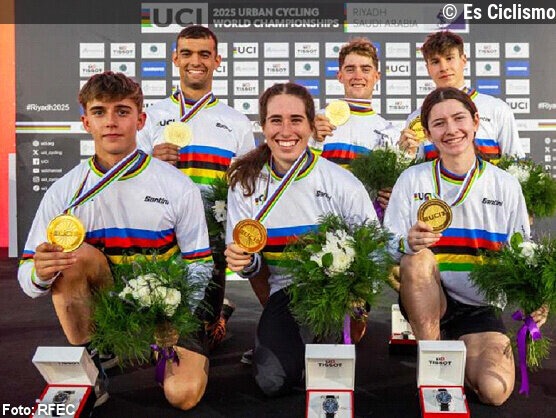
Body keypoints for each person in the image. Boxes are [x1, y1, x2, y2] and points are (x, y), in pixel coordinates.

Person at [18, 72, 213, 411]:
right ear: (86, 122)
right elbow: (27, 277)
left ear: (140, 120)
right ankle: (98, 351)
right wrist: (41, 273)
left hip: (166, 308)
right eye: (99, 112)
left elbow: (199, 263)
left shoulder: (176, 184)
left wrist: (177, 314)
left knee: (183, 395)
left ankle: (177, 349)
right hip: (109, 306)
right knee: (73, 258)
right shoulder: (65, 190)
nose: (111, 121)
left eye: (122, 111)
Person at [383, 87, 547, 406]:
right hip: (430, 298)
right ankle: (434, 362)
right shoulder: (412, 179)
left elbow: (522, 253)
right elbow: (386, 246)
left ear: (475, 122)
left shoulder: (505, 185)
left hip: (479, 307)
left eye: (459, 119)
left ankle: (457, 349)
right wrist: (406, 242)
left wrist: (536, 295)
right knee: (416, 260)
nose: (451, 129)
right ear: (428, 133)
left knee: (494, 391)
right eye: (439, 123)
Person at [224, 83, 378, 396]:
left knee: (329, 379)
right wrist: (243, 260)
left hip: (334, 293)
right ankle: (287, 339)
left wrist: (357, 298)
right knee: (271, 383)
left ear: (310, 126)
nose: (285, 131)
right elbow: (251, 263)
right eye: (275, 120)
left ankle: (349, 327)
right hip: (285, 291)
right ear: (263, 126)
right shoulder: (246, 183)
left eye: (296, 120)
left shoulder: (341, 181)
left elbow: (374, 250)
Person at [137, 25, 256, 350]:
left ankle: (217, 314)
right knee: (155, 334)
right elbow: (127, 177)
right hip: (161, 232)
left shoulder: (236, 121)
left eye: (204, 54)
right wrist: (149, 161)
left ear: (217, 61)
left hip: (211, 237)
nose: (196, 61)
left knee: (201, 338)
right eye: (187, 53)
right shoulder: (151, 117)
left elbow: (246, 187)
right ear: (175, 58)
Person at [398, 31, 524, 161]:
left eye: (449, 58)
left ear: (463, 60)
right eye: (435, 62)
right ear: (428, 68)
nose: (444, 67)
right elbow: (414, 169)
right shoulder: (416, 119)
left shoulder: (497, 109)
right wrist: (405, 157)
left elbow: (516, 164)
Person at [310, 38, 399, 210]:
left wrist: (393, 198)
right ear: (340, 76)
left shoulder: (389, 131)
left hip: (366, 222)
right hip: (322, 218)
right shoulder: (318, 121)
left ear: (376, 76)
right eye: (350, 69)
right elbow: (298, 173)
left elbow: (390, 190)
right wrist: (313, 141)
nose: (358, 76)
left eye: (365, 69)